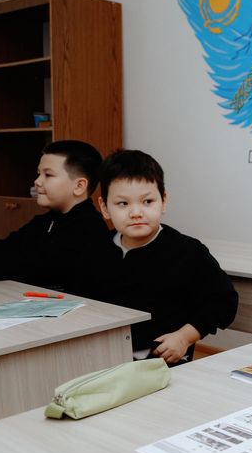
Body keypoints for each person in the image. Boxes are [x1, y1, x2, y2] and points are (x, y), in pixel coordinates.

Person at [96, 149, 237, 365]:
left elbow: (224, 302)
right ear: (104, 208)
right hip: (102, 356)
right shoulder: (95, 249)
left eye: (147, 201)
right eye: (123, 204)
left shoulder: (187, 251)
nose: (136, 212)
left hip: (161, 361)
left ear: (163, 201)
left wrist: (183, 337)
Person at [0, 140, 109, 297]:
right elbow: (3, 251)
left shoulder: (89, 230)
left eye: (48, 175)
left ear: (79, 186)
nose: (37, 181)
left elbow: (25, 268)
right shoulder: (45, 221)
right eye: (39, 173)